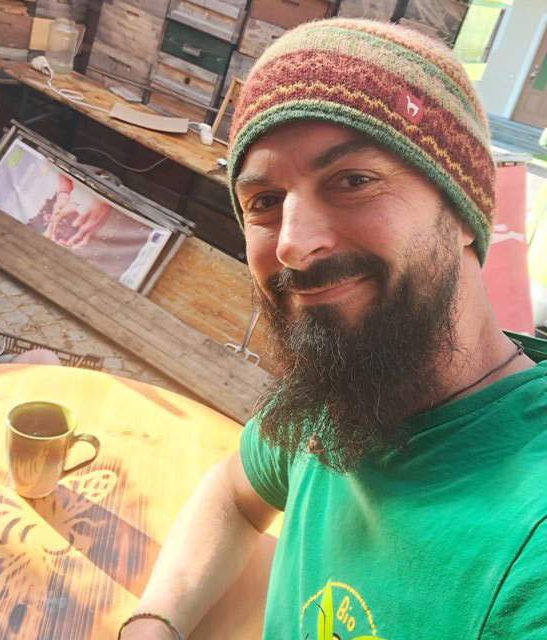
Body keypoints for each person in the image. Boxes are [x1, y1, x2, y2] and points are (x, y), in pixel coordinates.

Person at [119, 18, 547, 640]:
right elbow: (233, 495)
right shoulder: (345, 388)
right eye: (265, 202)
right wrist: (154, 622)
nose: (292, 244)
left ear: (461, 211)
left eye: (353, 181)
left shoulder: (529, 553)